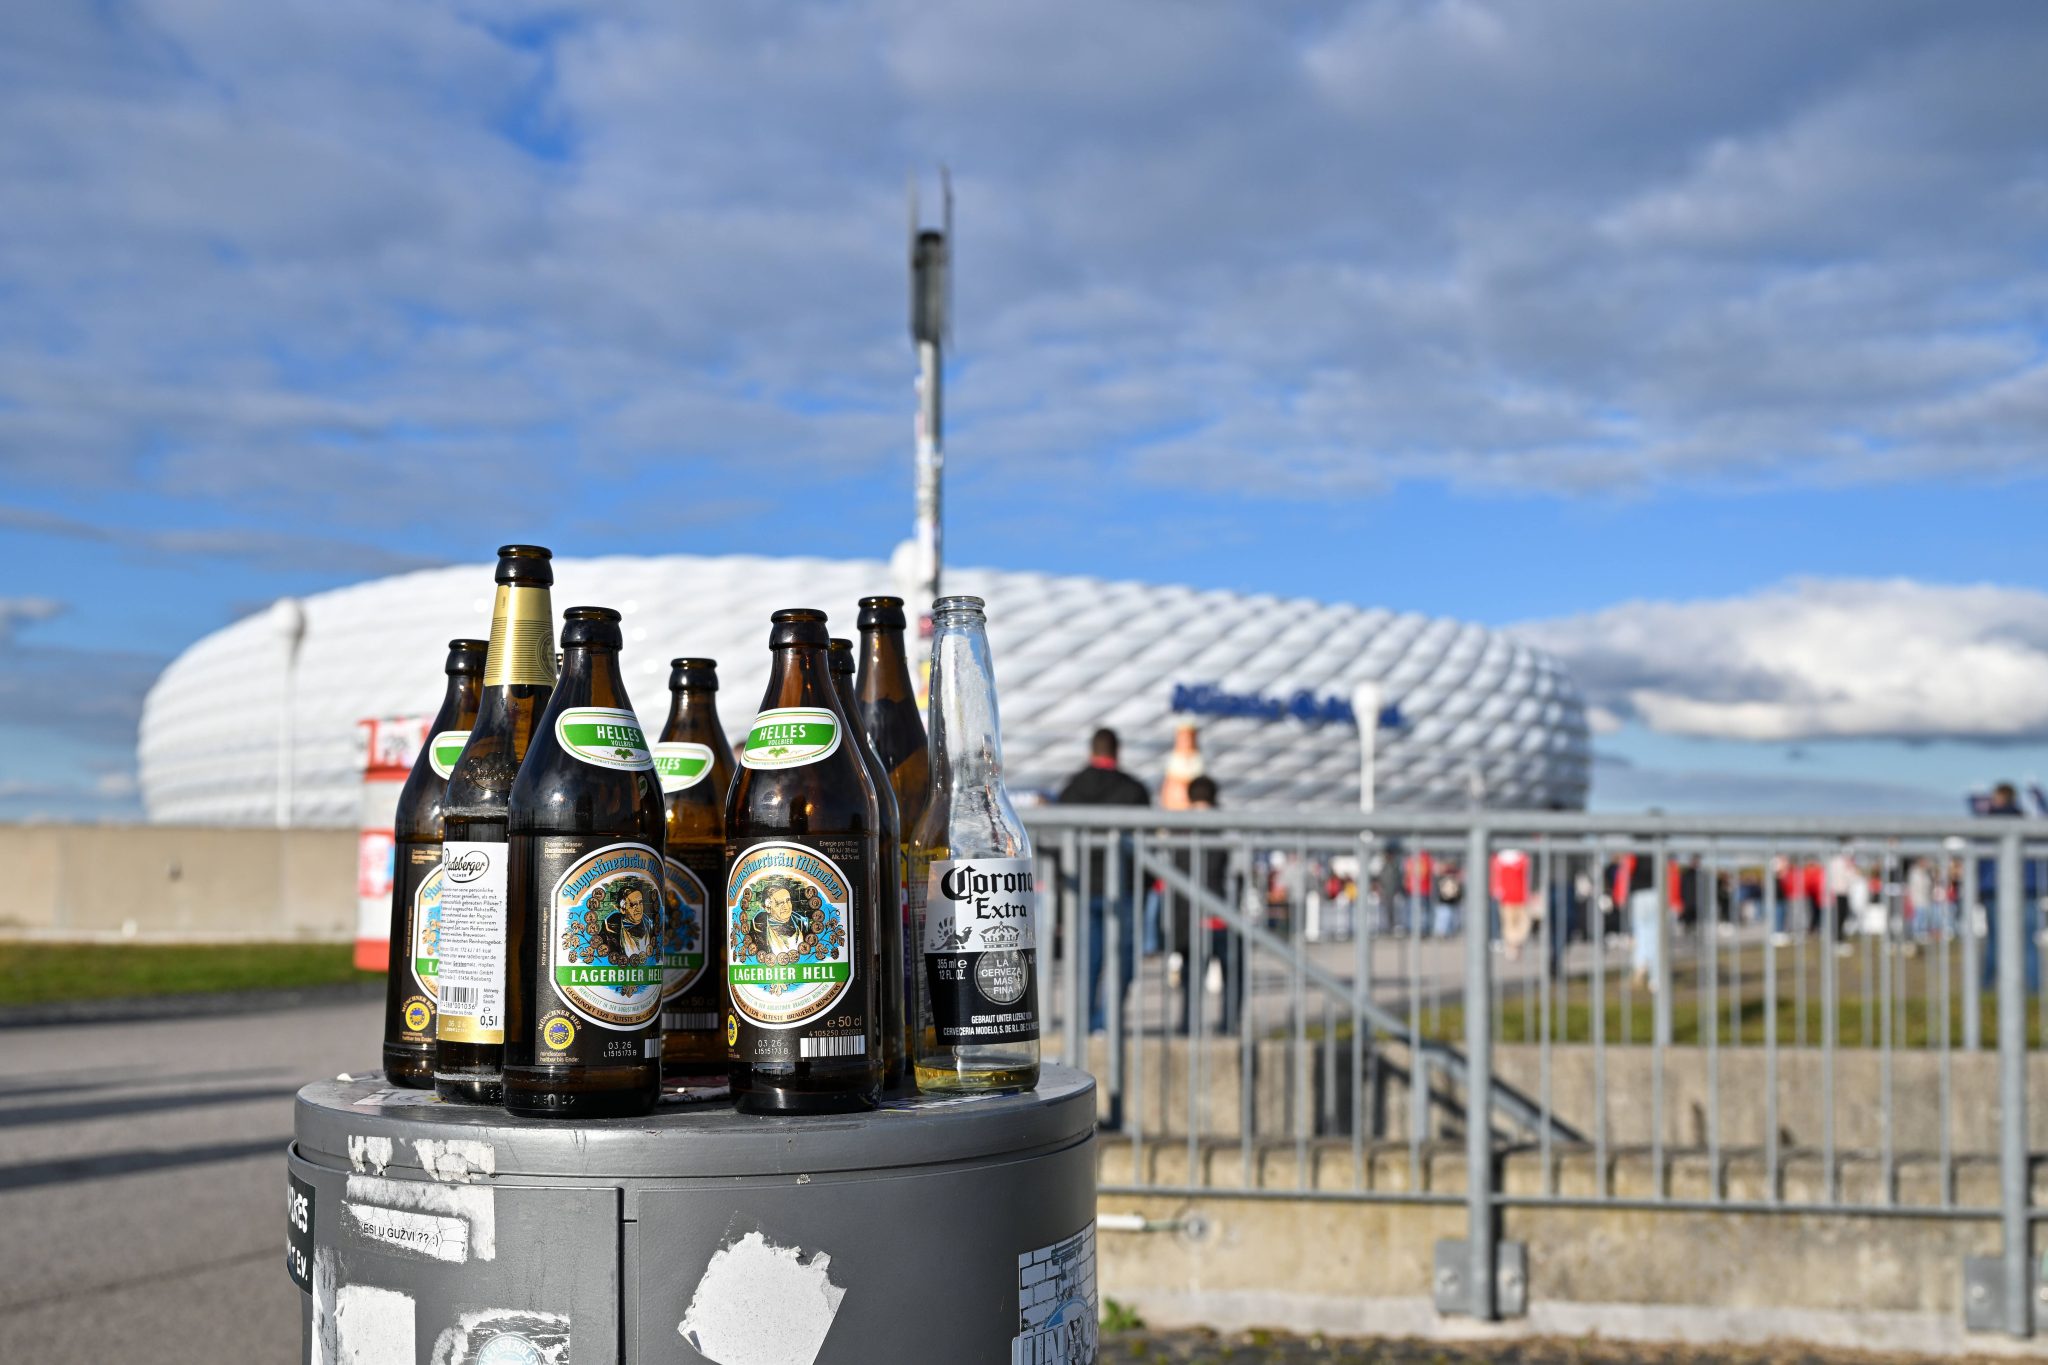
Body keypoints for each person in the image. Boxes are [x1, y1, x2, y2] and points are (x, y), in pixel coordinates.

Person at [1056, 727, 1150, 1031]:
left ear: (1091, 751)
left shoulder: (1072, 788)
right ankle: (1108, 1021)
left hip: (1081, 885)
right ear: (1117, 751)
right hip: (1123, 885)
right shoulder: (1134, 790)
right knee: (1122, 958)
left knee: (1088, 959)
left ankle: (1084, 1022)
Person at [1978, 783, 2041, 995]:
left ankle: (1986, 988)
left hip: (1994, 888)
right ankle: (2034, 990)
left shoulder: (1986, 823)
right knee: (2027, 941)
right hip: (2027, 888)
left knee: (1996, 941)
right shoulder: (2028, 822)